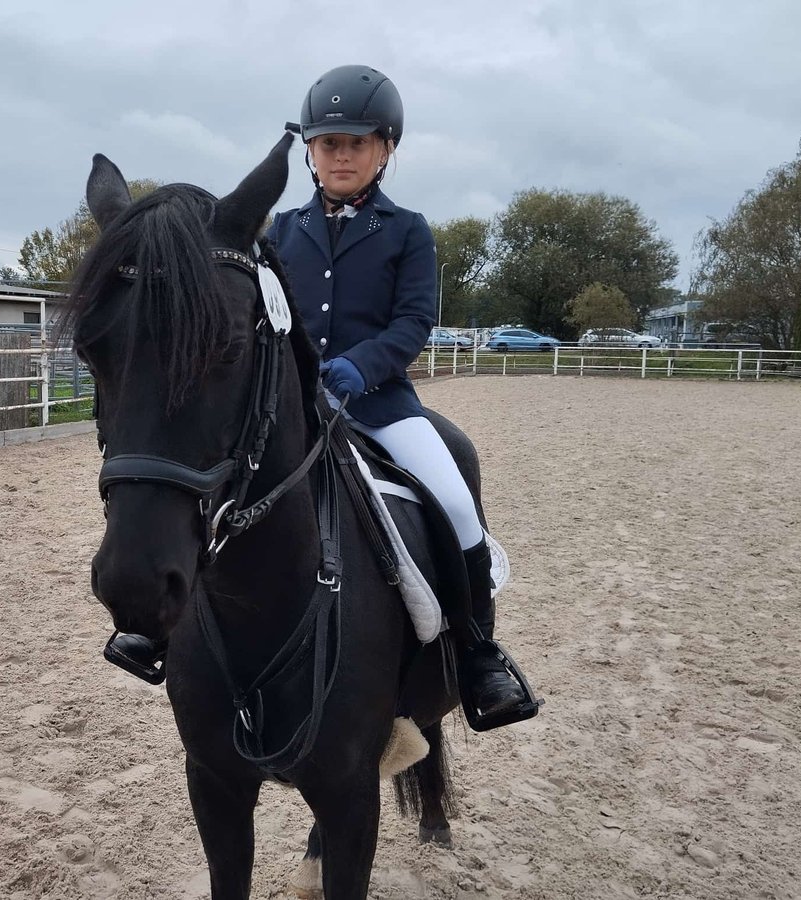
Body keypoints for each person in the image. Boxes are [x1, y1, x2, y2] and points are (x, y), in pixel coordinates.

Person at [108, 65, 538, 730]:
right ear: (309, 151)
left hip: (380, 407)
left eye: (357, 143)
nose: (341, 155)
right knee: (213, 491)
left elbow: (413, 322)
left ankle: (480, 657)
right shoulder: (280, 232)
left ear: (385, 149)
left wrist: (357, 369)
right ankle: (157, 626)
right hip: (294, 409)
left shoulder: (408, 230)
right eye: (328, 143)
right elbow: (264, 315)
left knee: (454, 498)